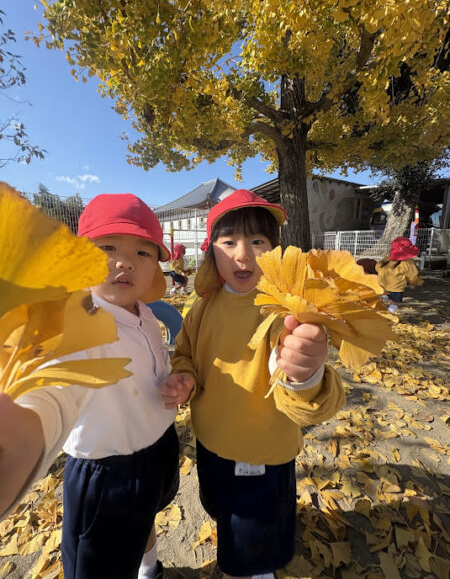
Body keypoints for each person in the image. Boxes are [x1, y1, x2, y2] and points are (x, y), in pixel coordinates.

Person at [0, 193, 193, 579]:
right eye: (108, 247)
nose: (126, 261)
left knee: (146, 517)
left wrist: (174, 382)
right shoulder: (72, 320)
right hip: (106, 473)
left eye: (143, 252)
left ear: (156, 267)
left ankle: (149, 569)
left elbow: (154, 368)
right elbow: (54, 388)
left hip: (157, 447)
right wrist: (30, 427)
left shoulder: (146, 314)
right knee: (100, 564)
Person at [160, 190, 345, 579]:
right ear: (212, 252)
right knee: (222, 510)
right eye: (229, 242)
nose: (243, 254)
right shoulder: (202, 307)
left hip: (261, 454)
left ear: (275, 250)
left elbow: (308, 394)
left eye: (257, 241)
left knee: (253, 543)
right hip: (211, 445)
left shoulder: (285, 311)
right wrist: (186, 377)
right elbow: (186, 353)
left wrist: (305, 372)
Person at [376, 236, 423, 313]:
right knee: (395, 302)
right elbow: (412, 275)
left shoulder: (388, 258)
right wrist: (414, 282)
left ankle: (384, 298)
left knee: (385, 294)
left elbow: (378, 267)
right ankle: (390, 313)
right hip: (396, 287)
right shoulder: (408, 262)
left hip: (382, 284)